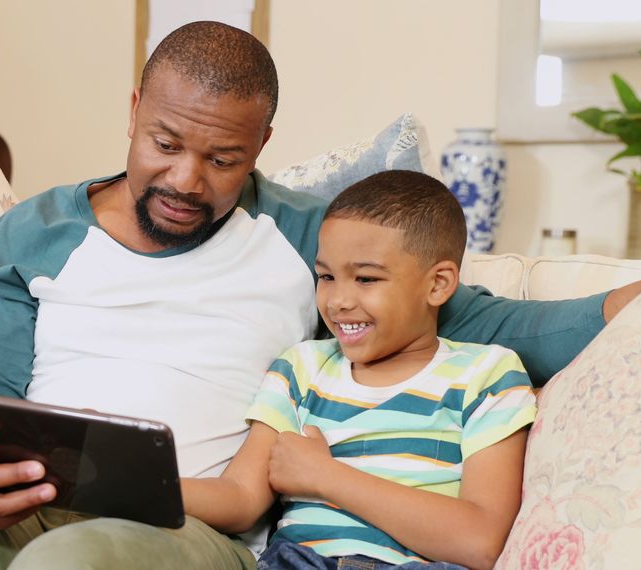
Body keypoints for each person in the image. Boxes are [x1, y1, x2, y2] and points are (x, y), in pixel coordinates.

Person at [0, 21, 641, 570]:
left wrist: (629, 302)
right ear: (136, 106)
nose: (187, 177)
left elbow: (491, 321)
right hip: (16, 509)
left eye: (223, 158)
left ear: (263, 142)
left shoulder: (309, 238)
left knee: (78, 561)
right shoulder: (31, 235)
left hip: (187, 534)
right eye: (165, 141)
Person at [185, 170, 533, 570]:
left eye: (366, 278)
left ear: (437, 284)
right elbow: (241, 497)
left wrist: (325, 476)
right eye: (327, 277)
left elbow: (479, 542)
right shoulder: (301, 369)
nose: (338, 301)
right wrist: (139, 489)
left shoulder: (487, 374)